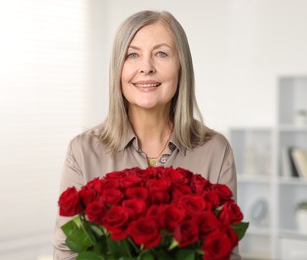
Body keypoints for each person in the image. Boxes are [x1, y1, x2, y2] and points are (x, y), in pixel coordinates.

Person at [52, 10, 241, 260]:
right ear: (118, 69)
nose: (146, 68)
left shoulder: (216, 150)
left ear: (181, 66)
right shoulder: (82, 151)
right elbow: (67, 252)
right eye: (132, 55)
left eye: (161, 53)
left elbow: (226, 251)